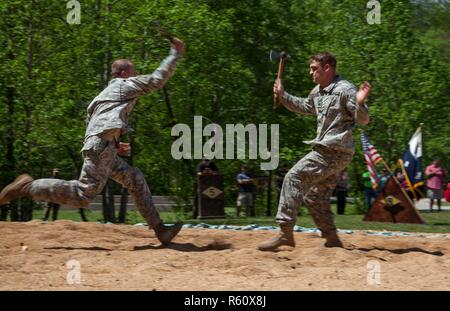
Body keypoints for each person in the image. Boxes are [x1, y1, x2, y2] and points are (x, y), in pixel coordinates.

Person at [0, 38, 186, 245]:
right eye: (133, 72)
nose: (135, 76)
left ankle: (160, 229)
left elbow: (94, 124)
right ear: (124, 74)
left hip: (104, 147)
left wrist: (114, 144)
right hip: (101, 147)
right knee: (83, 194)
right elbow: (156, 80)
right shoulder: (124, 85)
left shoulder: (104, 95)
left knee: (134, 178)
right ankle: (27, 187)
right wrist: (174, 53)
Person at [258, 52, 371, 251]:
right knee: (315, 196)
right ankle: (332, 239)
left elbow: (363, 120)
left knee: (293, 178)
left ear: (327, 68)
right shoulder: (318, 91)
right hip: (334, 152)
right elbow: (304, 106)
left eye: (314, 68)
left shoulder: (345, 89)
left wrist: (360, 104)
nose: (310, 72)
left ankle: (285, 233)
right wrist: (283, 95)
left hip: (333, 150)